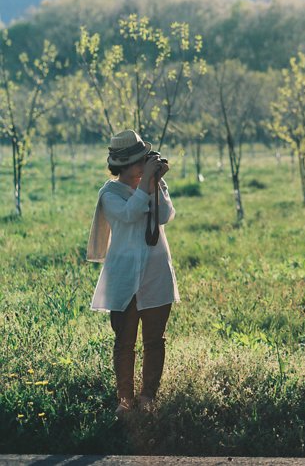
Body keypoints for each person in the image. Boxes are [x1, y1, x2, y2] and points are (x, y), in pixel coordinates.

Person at [87, 129, 179, 417]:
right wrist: (146, 187)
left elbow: (165, 216)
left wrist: (156, 182)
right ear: (125, 165)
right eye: (141, 161)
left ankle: (148, 397)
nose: (145, 164)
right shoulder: (110, 194)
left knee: (155, 340)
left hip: (155, 274)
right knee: (124, 342)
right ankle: (124, 401)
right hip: (124, 277)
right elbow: (127, 215)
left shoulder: (152, 185)